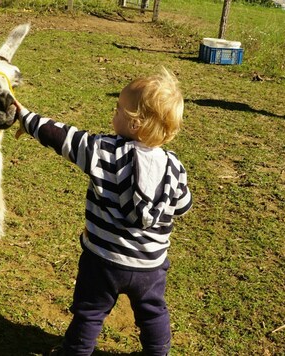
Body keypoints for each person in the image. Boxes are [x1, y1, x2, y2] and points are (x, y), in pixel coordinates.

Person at [14, 67, 192, 356]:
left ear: (134, 123)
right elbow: (183, 206)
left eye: (118, 108)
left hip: (103, 261)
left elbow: (62, 137)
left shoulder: (103, 150)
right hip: (150, 267)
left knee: (90, 312)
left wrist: (26, 117)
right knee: (153, 312)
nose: (114, 112)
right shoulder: (175, 167)